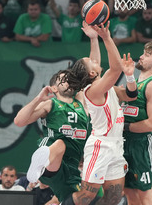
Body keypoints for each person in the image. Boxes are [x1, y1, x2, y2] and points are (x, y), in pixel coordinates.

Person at [58, 21, 138, 205]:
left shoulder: (98, 82)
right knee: (86, 196)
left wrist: (94, 39)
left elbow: (95, 61)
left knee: (114, 197)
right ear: (92, 73)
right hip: (101, 146)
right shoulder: (93, 90)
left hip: (116, 144)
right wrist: (106, 37)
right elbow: (116, 68)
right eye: (92, 62)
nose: (95, 60)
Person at [14, 25, 92, 202]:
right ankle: (39, 163)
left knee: (83, 198)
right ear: (54, 88)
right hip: (52, 162)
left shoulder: (81, 101)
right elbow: (19, 121)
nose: (68, 81)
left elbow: (89, 68)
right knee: (60, 144)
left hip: (72, 166)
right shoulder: (50, 103)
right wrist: (38, 98)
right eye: (63, 80)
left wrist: (93, 38)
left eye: (69, 79)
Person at [123, 41, 152, 205]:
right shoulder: (133, 84)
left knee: (146, 197)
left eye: (147, 54)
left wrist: (124, 126)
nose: (141, 56)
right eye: (143, 53)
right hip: (124, 143)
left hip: (141, 145)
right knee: (130, 194)